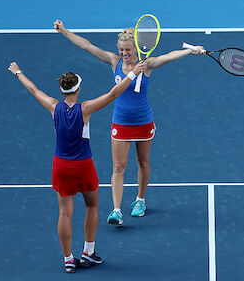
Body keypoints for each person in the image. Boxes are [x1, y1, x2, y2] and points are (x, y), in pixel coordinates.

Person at [53, 20, 205, 226]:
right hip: (121, 123)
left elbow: (168, 57)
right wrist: (64, 31)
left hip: (144, 122)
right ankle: (116, 210)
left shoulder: (147, 65)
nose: (123, 53)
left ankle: (140, 200)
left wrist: (191, 51)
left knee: (143, 162)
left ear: (135, 48)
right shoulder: (114, 62)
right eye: (121, 50)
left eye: (127, 50)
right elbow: (86, 45)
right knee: (118, 166)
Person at [8, 60, 146, 273]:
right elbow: (112, 95)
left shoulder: (54, 106)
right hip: (83, 165)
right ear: (78, 88)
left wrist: (18, 72)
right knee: (92, 206)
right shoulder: (85, 109)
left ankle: (68, 259)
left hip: (61, 166)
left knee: (65, 214)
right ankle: (88, 251)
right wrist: (132, 74)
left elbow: (33, 89)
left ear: (62, 90)